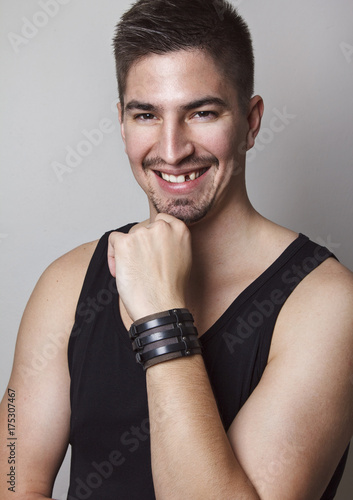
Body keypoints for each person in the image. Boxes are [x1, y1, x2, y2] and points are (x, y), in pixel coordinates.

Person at [1, 0, 353, 498]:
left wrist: (162, 317)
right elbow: (12, 478)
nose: (171, 149)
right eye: (146, 114)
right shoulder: (66, 284)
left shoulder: (327, 306)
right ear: (121, 123)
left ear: (251, 122)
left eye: (202, 112)